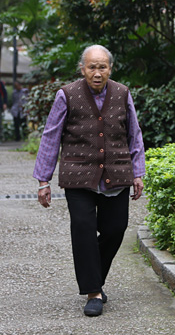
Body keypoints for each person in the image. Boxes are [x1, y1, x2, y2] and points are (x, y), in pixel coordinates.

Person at [33, 45, 145, 317]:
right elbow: (51, 136)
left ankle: (94, 275)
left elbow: (134, 133)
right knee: (83, 228)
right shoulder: (66, 95)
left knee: (116, 228)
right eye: (92, 67)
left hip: (116, 173)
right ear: (82, 69)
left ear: (110, 69)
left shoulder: (122, 93)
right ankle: (93, 292)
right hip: (78, 175)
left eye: (102, 66)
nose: (97, 72)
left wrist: (138, 172)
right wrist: (43, 180)